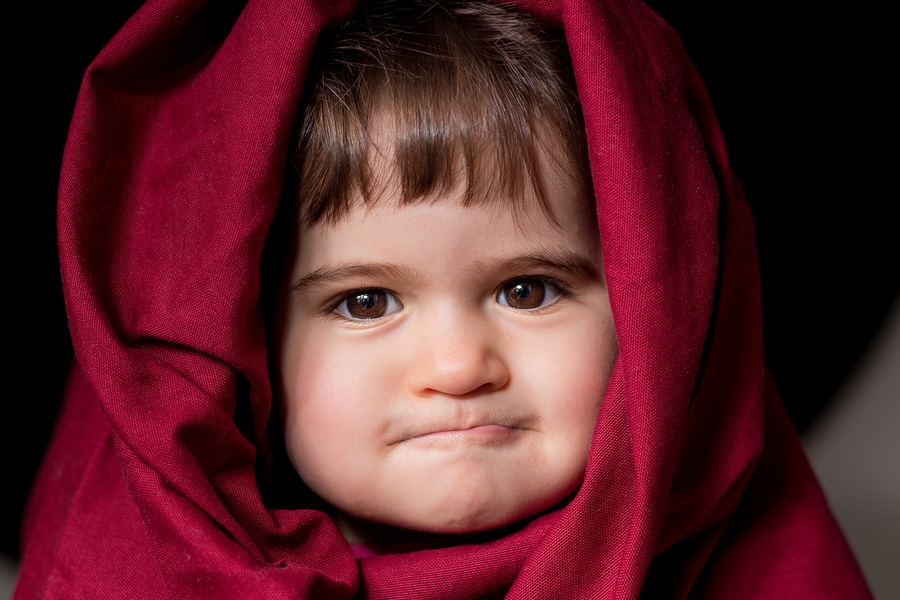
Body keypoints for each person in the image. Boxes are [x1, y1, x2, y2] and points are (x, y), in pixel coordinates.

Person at [15, 0, 871, 598]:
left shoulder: (750, 554)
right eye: (365, 303)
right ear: (248, 343)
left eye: (526, 289)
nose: (458, 368)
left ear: (662, 318)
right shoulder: (128, 569)